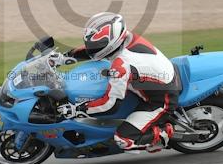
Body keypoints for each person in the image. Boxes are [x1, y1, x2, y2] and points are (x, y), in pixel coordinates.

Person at [54, 12, 179, 153]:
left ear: (111, 43)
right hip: (156, 76)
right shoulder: (124, 38)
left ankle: (164, 134)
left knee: (123, 140)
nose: (91, 48)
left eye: (97, 45)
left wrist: (78, 109)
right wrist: (63, 58)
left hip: (161, 99)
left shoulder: (121, 66)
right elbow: (91, 51)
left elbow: (110, 104)